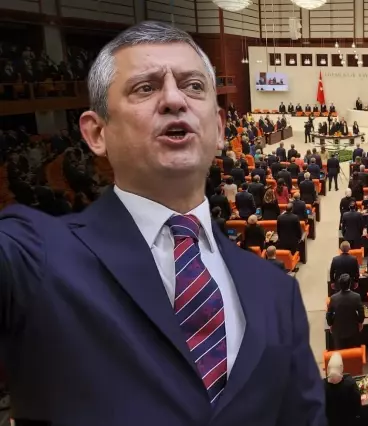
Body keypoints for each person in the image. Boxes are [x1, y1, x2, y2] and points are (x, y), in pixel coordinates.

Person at [0, 22, 325, 425]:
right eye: (145, 87)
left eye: (193, 86)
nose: (174, 99)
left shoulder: (278, 292)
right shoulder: (39, 257)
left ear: (219, 129)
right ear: (96, 133)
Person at [326, 274, 365, 350]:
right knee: (352, 352)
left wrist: (330, 324)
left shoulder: (333, 298)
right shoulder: (356, 297)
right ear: (350, 284)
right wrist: (360, 322)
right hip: (353, 330)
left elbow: (329, 314)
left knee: (340, 352)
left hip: (338, 331)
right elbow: (361, 313)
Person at [324, 352, 361, 426]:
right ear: (342, 367)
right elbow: (357, 406)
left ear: (327, 368)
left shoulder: (321, 387)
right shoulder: (350, 384)